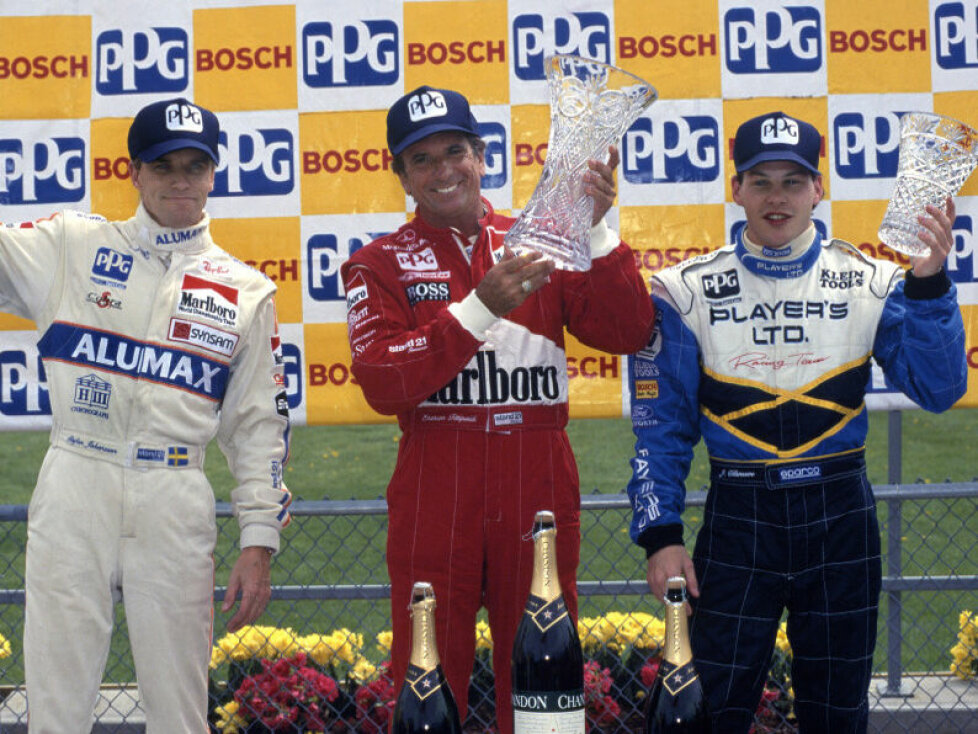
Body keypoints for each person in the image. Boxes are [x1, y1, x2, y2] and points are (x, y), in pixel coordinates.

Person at [626, 110, 967, 732]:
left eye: (793, 180)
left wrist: (930, 283)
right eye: (761, 181)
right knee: (707, 710)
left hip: (841, 516)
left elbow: (940, 388)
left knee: (837, 714)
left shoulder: (871, 282)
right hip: (739, 516)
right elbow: (661, 426)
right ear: (736, 189)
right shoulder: (685, 291)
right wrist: (661, 534)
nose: (777, 197)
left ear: (819, 188)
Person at [341, 85, 654, 732]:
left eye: (454, 150)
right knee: (426, 669)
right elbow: (380, 380)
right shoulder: (377, 263)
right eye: (421, 159)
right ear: (399, 174)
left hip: (535, 472)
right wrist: (479, 308)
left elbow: (626, 331)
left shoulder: (539, 237)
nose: (442, 170)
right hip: (436, 474)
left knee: (543, 670)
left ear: (482, 156)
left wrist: (595, 227)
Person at [0, 97, 292, 732]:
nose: (181, 180)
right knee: (55, 700)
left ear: (215, 173)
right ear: (134, 172)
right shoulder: (71, 246)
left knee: (179, 708)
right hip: (78, 473)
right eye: (164, 166)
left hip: (174, 490)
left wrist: (259, 538)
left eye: (196, 165)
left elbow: (257, 427)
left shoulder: (245, 290)